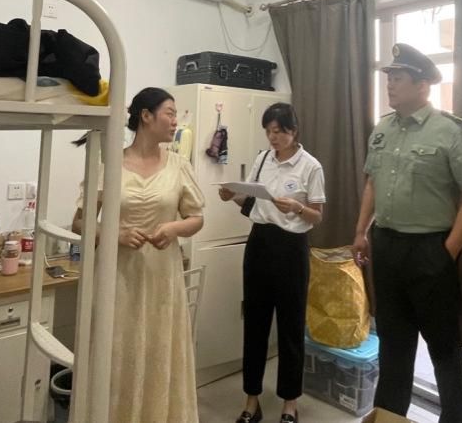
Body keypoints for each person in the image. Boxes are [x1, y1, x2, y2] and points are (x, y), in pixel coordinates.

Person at [352, 44, 462, 423]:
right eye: (389, 78)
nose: (390, 85)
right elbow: (372, 183)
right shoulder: (382, 129)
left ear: (423, 85)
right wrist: (361, 231)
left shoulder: (451, 131)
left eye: (398, 78)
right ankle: (389, 418)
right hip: (387, 247)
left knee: (444, 350)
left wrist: (447, 252)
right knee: (393, 347)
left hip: (430, 249)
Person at [72, 87, 204, 423]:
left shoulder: (179, 165)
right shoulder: (109, 163)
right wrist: (114, 234)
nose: (175, 121)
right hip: (118, 278)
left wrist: (173, 228)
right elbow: (79, 222)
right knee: (116, 353)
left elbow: (196, 218)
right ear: (146, 116)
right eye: (170, 113)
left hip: (163, 278)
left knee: (159, 352)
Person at [218, 102, 325, 423]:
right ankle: (252, 400)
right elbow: (251, 199)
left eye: (278, 131)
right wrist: (232, 195)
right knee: (255, 324)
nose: (273, 137)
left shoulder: (310, 166)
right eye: (268, 131)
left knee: (291, 327)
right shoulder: (263, 159)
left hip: (292, 248)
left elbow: (318, 216)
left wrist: (297, 208)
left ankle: (290, 404)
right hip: (259, 244)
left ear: (294, 130)